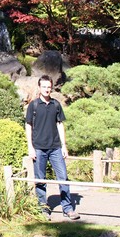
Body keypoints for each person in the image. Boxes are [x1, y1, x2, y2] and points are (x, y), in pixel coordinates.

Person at [25, 75, 80, 220]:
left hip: (56, 147)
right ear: (39, 88)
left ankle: (68, 209)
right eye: (44, 87)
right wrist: (30, 147)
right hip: (39, 148)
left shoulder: (56, 104)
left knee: (63, 178)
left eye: (49, 87)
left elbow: (60, 125)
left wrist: (64, 146)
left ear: (51, 87)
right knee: (40, 180)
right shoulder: (34, 105)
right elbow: (28, 125)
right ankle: (43, 209)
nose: (47, 89)